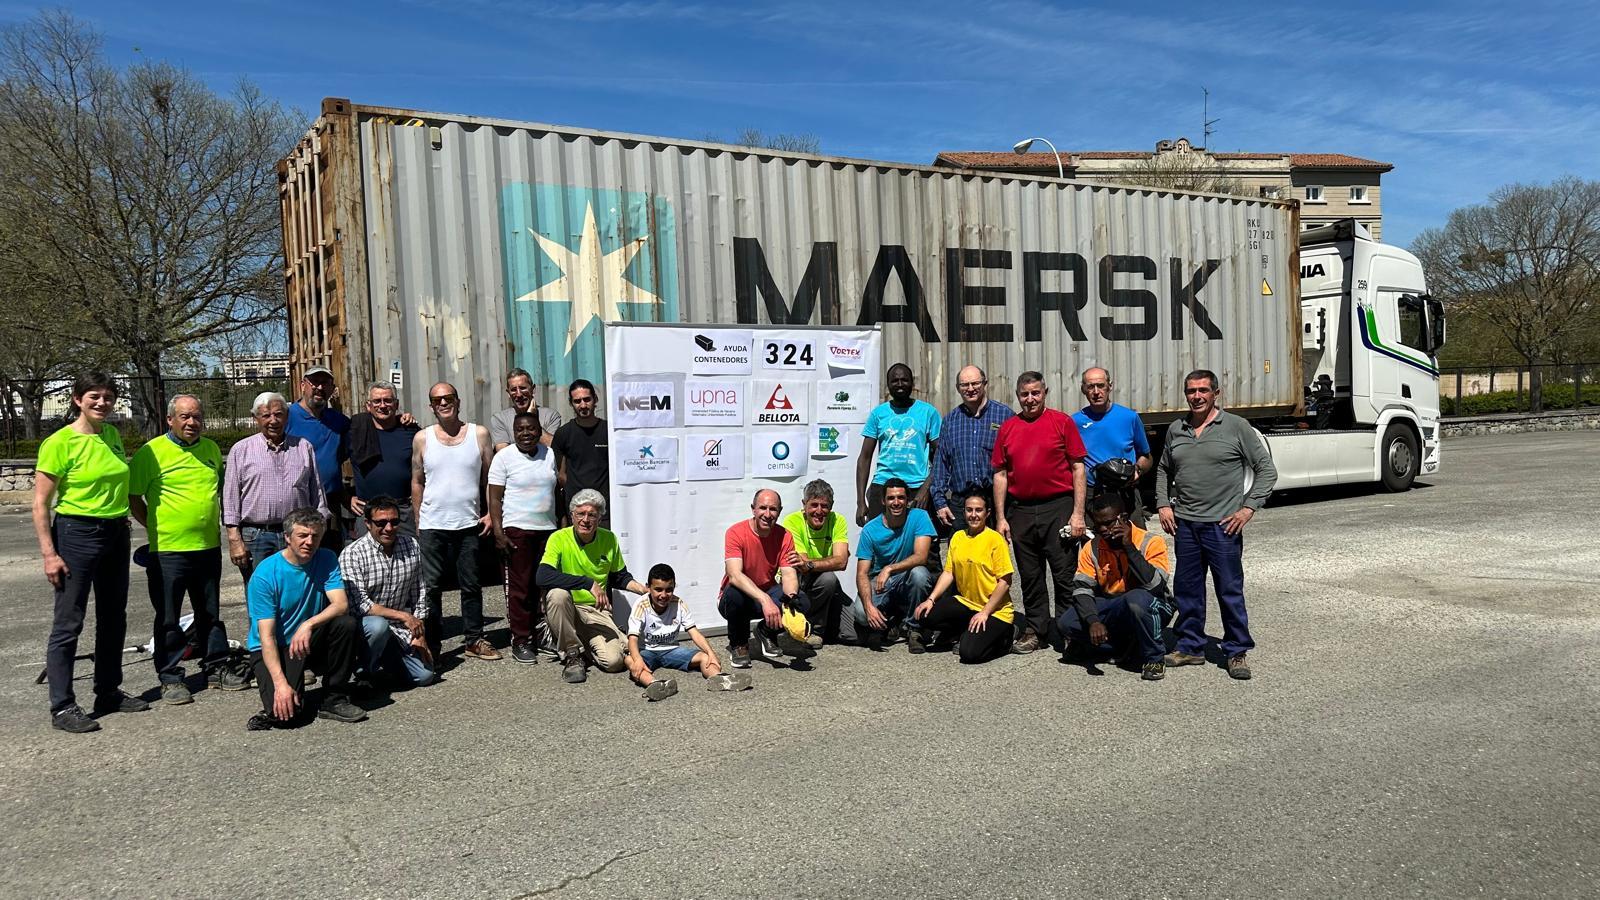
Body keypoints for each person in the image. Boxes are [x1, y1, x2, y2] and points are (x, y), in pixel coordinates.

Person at [32, 371, 148, 733]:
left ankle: (108, 691)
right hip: (77, 533)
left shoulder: (111, 436)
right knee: (69, 621)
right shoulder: (59, 442)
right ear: (77, 399)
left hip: (115, 532)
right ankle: (62, 705)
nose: (102, 402)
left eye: (108, 396)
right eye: (94, 396)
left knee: (114, 616)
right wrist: (49, 554)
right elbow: (40, 504)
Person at [1156, 369, 1278, 680]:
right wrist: (1163, 504)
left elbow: (1266, 470)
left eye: (1203, 390)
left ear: (1216, 393)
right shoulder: (1176, 429)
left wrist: (1248, 508)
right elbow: (1163, 469)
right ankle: (1190, 646)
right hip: (1186, 525)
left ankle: (1236, 651)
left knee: (1229, 591)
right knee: (1187, 590)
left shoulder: (1236, 427)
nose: (1196, 396)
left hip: (1223, 527)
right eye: (1191, 391)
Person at [128, 394, 247, 705]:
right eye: (184, 416)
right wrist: (154, 527)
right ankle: (170, 677)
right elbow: (134, 497)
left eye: (196, 416)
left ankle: (216, 667)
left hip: (207, 547)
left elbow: (220, 492)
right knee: (168, 617)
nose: (192, 422)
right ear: (170, 419)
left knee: (210, 613)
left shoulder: (210, 450)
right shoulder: (151, 453)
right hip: (168, 551)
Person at [992, 371, 1088, 655]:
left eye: (1036, 393)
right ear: (1017, 396)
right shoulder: (1008, 428)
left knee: (1064, 574)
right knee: (1030, 575)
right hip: (1020, 510)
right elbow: (1000, 474)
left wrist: (1078, 514)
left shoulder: (1062, 422)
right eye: (1025, 394)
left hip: (1058, 507)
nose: (1030, 399)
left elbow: (1078, 468)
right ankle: (1036, 630)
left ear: (1045, 392)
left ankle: (1070, 630)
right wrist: (1001, 517)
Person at [246, 508, 367, 728]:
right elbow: (267, 637)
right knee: (285, 717)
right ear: (287, 537)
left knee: (346, 624)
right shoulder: (265, 575)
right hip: (274, 646)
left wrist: (308, 624)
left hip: (306, 639)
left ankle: (334, 698)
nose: (309, 542)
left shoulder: (327, 558)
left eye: (315, 536)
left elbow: (341, 605)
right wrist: (280, 684)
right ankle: (286, 692)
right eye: (302, 535)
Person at [411, 381, 499, 662]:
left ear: (458, 401)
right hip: (432, 524)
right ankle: (433, 645)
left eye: (448, 398)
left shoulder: (479, 434)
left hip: (468, 523)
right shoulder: (422, 438)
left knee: (471, 585)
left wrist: (490, 513)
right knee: (432, 589)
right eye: (437, 400)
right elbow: (417, 481)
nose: (444, 403)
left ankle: (474, 639)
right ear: (431, 406)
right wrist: (418, 519)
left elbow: (490, 478)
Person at [1060, 493, 1173, 681]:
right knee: (1067, 622)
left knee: (1136, 599)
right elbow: (1082, 589)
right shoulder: (1092, 547)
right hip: (1115, 604)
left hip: (1152, 604)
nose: (1103, 529)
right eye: (1098, 524)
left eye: (1109, 523)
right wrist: (1093, 620)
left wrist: (1129, 547)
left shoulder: (1151, 541)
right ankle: (1123, 647)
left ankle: (1154, 658)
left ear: (1124, 518)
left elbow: (1155, 585)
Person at [536, 490, 646, 684]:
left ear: (600, 518)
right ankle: (572, 654)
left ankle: (582, 644)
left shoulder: (609, 539)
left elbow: (619, 577)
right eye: (580, 514)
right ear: (572, 516)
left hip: (596, 610)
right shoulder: (558, 538)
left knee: (614, 662)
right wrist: (588, 583)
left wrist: (643, 590)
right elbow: (542, 576)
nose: (585, 520)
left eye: (592, 515)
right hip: (567, 608)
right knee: (558, 595)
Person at [223, 392, 329, 587]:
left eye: (278, 414)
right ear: (255, 418)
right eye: (266, 415)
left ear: (287, 416)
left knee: (297, 589)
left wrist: (318, 531)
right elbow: (230, 499)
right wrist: (234, 540)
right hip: (256, 537)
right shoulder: (241, 450)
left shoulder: (303, 447)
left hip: (297, 533)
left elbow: (318, 494)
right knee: (260, 591)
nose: (273, 420)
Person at [339, 495, 436, 689]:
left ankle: (385, 664)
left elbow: (420, 592)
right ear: (367, 524)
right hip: (365, 629)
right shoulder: (352, 554)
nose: (389, 528)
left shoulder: (411, 545)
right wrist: (404, 616)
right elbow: (360, 605)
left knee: (425, 676)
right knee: (378, 626)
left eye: (394, 522)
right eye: (381, 523)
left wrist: (419, 632)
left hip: (398, 630)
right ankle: (364, 673)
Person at [910, 492, 1016, 664]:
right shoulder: (958, 537)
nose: (973, 515)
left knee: (969, 653)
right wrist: (931, 599)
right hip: (967, 603)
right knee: (925, 615)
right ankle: (963, 631)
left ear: (987, 513)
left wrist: (985, 613)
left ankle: (1006, 637)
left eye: (978, 510)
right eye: (969, 510)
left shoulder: (995, 540)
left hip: (995, 611)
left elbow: (1005, 582)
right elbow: (948, 573)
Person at [488, 411, 559, 665]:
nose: (526, 433)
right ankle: (521, 639)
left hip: (547, 531)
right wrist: (498, 533)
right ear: (513, 432)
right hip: (516, 531)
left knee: (543, 587)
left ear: (539, 431)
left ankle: (541, 635)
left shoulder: (550, 454)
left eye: (531, 429)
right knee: (520, 589)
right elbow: (494, 498)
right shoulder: (504, 457)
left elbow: (559, 489)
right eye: (520, 429)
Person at [625, 563, 752, 700]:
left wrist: (711, 653)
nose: (663, 595)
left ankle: (720, 679)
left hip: (671, 650)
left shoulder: (679, 604)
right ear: (648, 587)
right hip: (647, 651)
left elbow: (694, 632)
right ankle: (655, 685)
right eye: (658, 590)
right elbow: (632, 638)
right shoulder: (641, 605)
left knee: (705, 657)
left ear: (674, 587)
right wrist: (638, 660)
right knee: (630, 660)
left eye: (669, 590)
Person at [718, 488, 812, 668]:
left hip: (766, 592)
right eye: (763, 508)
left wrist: (790, 601)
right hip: (736, 599)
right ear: (753, 509)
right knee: (734, 594)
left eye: (773, 509)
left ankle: (766, 631)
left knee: (801, 601)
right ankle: (739, 644)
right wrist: (765, 599)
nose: (767, 514)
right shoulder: (735, 532)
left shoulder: (785, 536)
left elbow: (789, 575)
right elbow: (734, 575)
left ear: (780, 511)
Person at [852, 478, 937, 651]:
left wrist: (889, 568)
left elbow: (921, 556)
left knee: (920, 574)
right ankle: (890, 621)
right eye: (891, 498)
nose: (896, 502)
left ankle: (914, 629)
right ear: (883, 501)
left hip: (907, 577)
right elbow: (862, 573)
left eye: (901, 498)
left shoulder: (920, 517)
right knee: (861, 614)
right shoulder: (870, 529)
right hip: (881, 583)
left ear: (907, 500)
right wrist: (869, 607)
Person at [855, 363, 941, 531]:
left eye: (904, 380)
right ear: (888, 384)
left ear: (912, 383)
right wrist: (860, 502)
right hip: (883, 486)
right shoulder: (878, 414)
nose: (900, 384)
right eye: (895, 381)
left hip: (916, 487)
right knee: (880, 539)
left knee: (920, 540)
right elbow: (864, 458)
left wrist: (926, 489)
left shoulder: (928, 412)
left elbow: (942, 456)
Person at [930, 365, 1013, 531]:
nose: (970, 389)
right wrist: (940, 502)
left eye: (975, 383)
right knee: (960, 547)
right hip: (961, 504)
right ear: (958, 388)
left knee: (997, 547)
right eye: (964, 385)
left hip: (995, 502)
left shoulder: (1005, 416)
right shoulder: (950, 421)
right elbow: (941, 464)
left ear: (985, 383)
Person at [1072, 367, 1152, 519]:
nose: (1096, 392)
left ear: (1110, 386)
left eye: (1101, 385)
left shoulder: (1129, 417)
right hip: (1093, 494)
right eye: (1090, 387)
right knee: (1093, 535)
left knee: (1133, 533)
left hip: (1125, 492)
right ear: (1083, 390)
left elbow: (1147, 457)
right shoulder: (1075, 422)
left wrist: (1137, 470)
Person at [286, 366, 351, 551]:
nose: (320, 388)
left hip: (330, 502)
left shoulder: (338, 421)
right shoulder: (287, 417)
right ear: (303, 385)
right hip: (298, 504)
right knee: (300, 556)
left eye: (325, 383)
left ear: (332, 389)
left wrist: (401, 419)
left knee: (330, 556)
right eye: (314, 382)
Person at [780, 479, 853, 644]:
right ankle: (813, 630)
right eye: (814, 505)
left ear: (831, 506)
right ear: (804, 505)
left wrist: (811, 564)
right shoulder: (792, 521)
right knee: (828, 578)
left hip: (821, 582)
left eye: (824, 506)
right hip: (798, 580)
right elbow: (801, 565)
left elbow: (842, 562)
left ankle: (825, 625)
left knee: (852, 635)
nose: (819, 511)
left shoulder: (838, 520)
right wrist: (830, 560)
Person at [349, 381, 421, 535]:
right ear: (368, 406)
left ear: (396, 404)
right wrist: (346, 497)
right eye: (377, 401)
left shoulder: (410, 431)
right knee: (368, 551)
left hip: (403, 511)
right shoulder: (355, 431)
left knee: (410, 550)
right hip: (368, 510)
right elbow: (331, 464)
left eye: (388, 400)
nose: (382, 405)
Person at [551, 379, 609, 524]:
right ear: (571, 403)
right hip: (576, 511)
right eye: (577, 401)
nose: (583, 405)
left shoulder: (609, 431)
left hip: (605, 511)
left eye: (587, 399)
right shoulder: (563, 434)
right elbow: (560, 475)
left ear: (595, 399)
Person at [489, 367, 560, 452]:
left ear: (533, 389)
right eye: (513, 390)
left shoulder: (551, 416)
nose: (519, 394)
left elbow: (554, 448)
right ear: (508, 393)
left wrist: (531, 417)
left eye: (523, 388)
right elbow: (503, 453)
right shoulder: (500, 419)